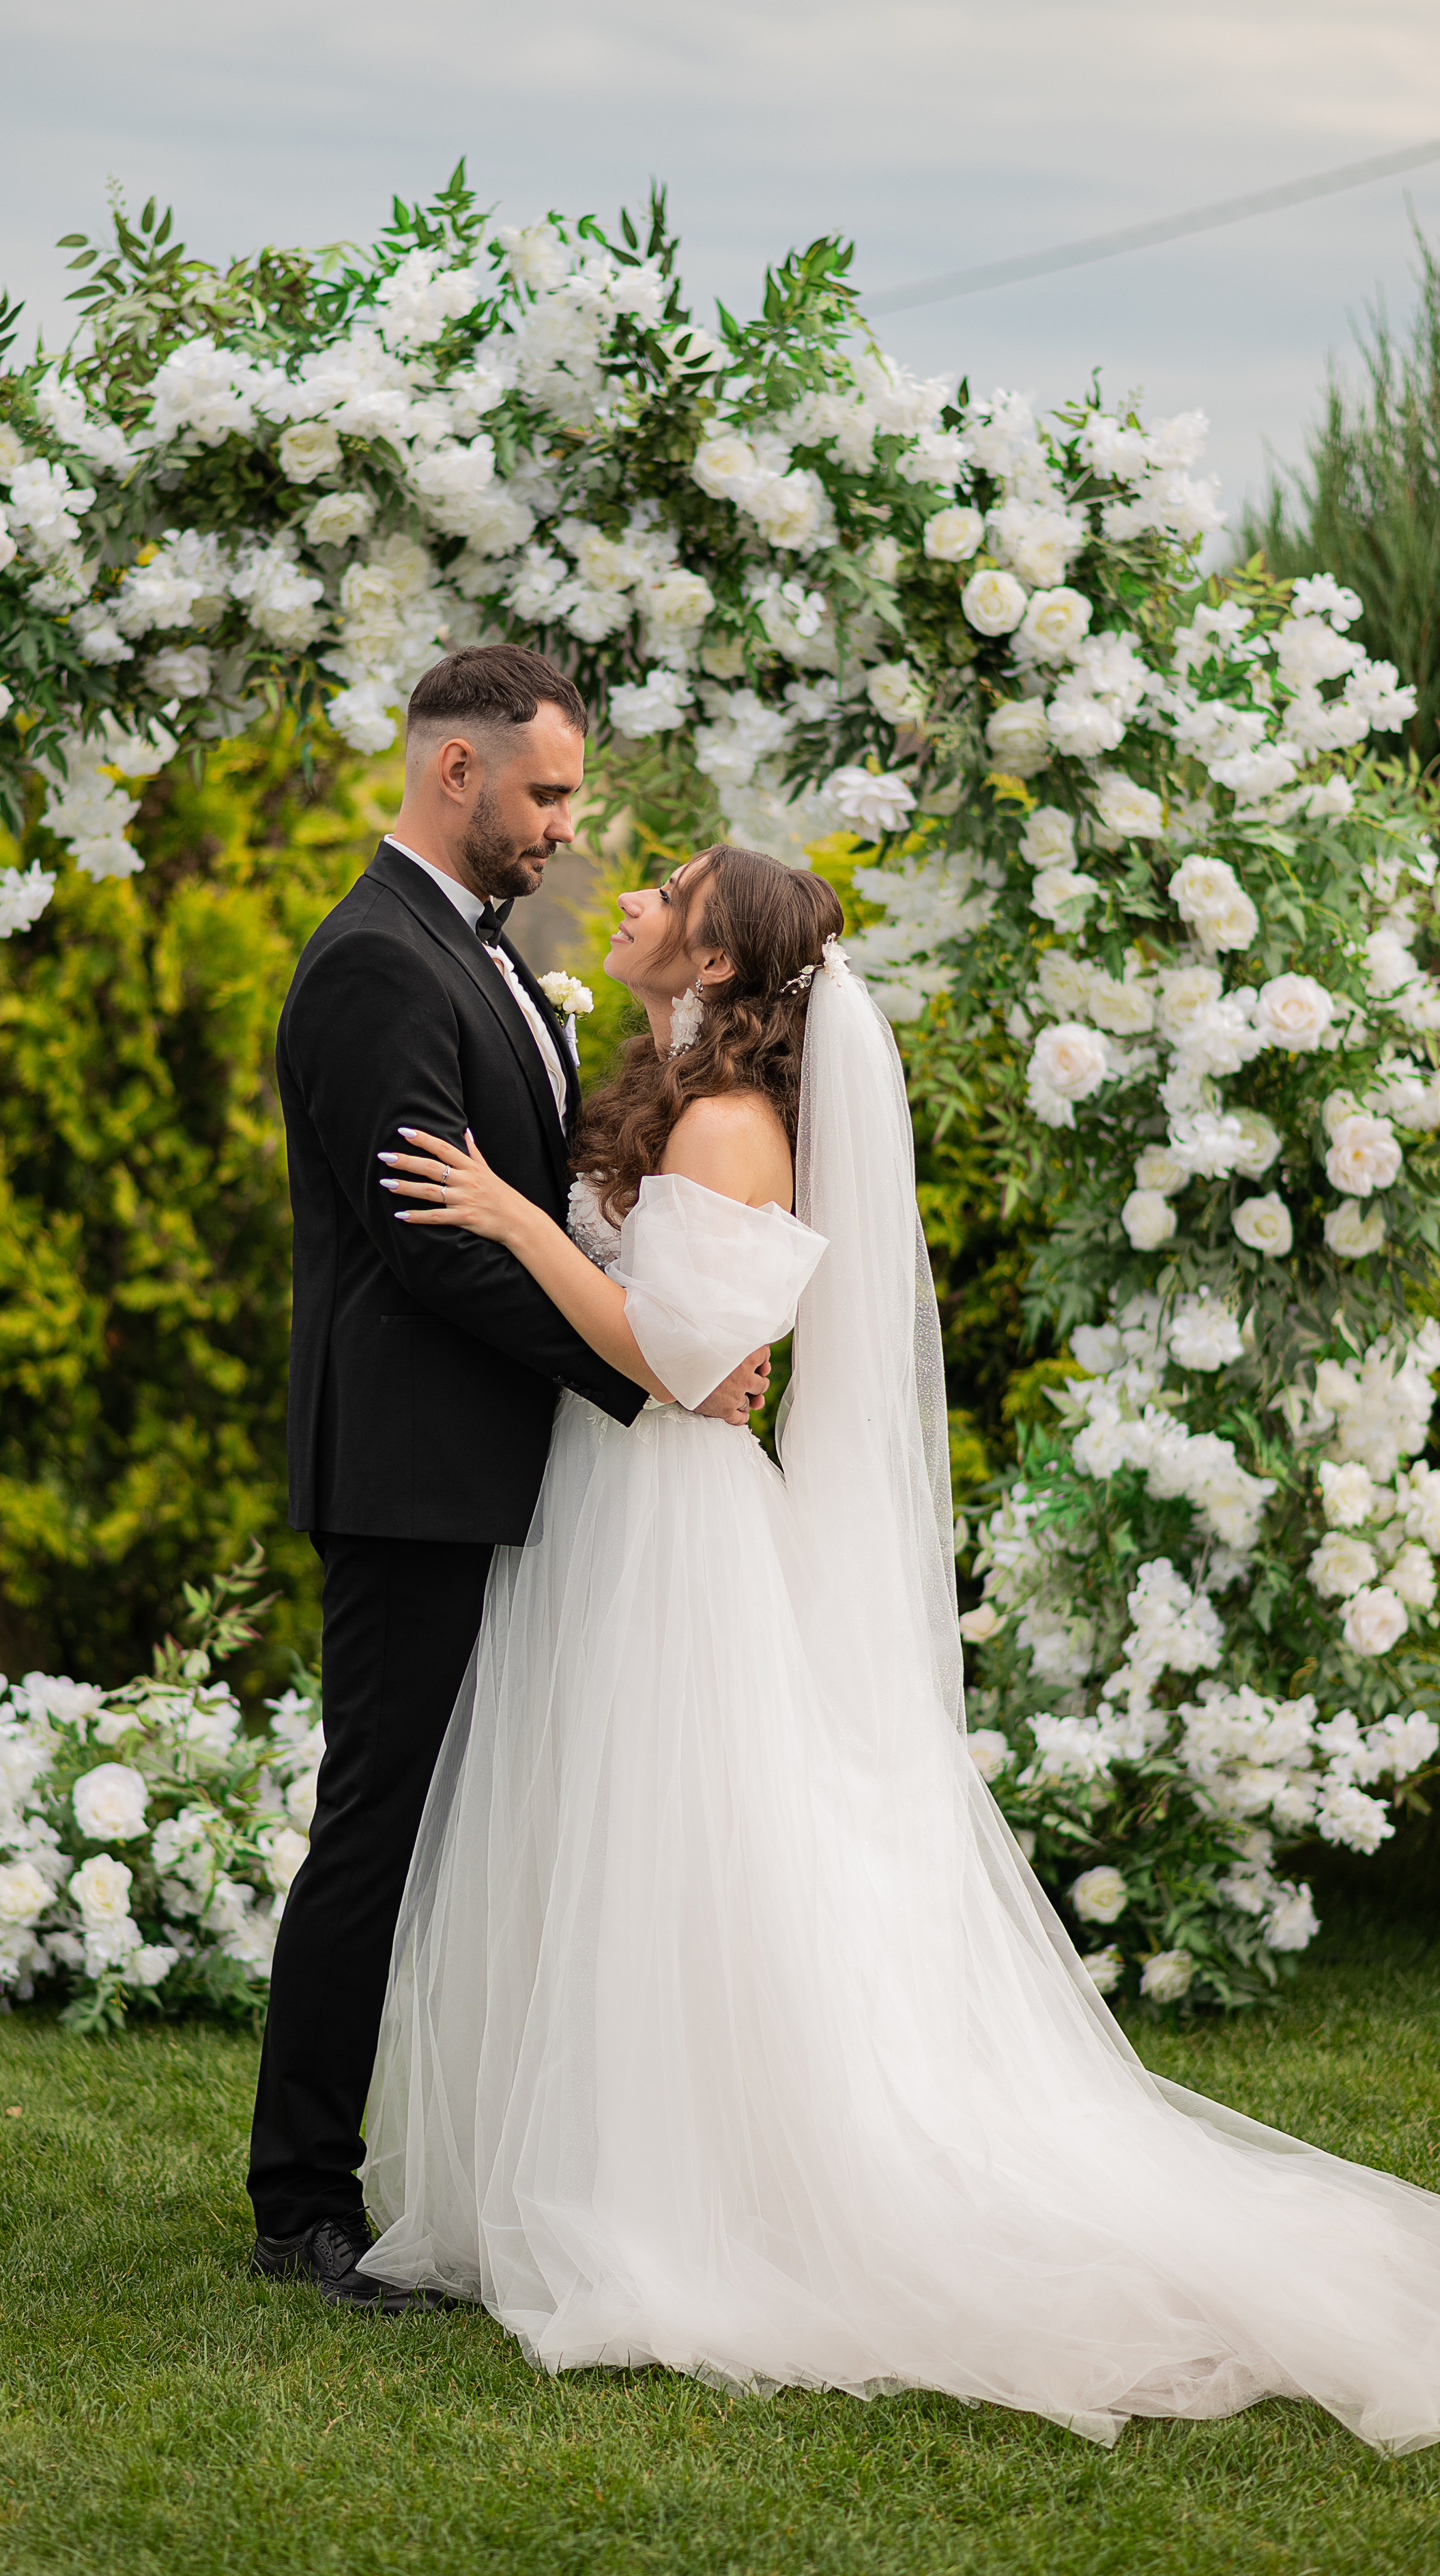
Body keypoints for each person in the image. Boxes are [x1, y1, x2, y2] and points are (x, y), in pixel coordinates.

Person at [360, 842, 1440, 2452]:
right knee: (605, 1843)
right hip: (611, 1505)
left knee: (670, 1850)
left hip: (667, 1532)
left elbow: (673, 1357)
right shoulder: (670, 1082)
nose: (638, 891)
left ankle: (679, 2192)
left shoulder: (731, 1123)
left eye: (673, 888)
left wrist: (521, 1224)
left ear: (721, 968)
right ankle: (581, 2154)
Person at [247, 649, 773, 2310]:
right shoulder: (375, 968)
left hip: (497, 1467)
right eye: (544, 794)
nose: (566, 826)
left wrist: (658, 1335)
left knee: (473, 1826)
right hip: (410, 1470)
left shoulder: (481, 959)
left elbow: (534, 1208)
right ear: (454, 774)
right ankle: (301, 2202)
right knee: (376, 1831)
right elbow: (430, 1254)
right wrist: (642, 1369)